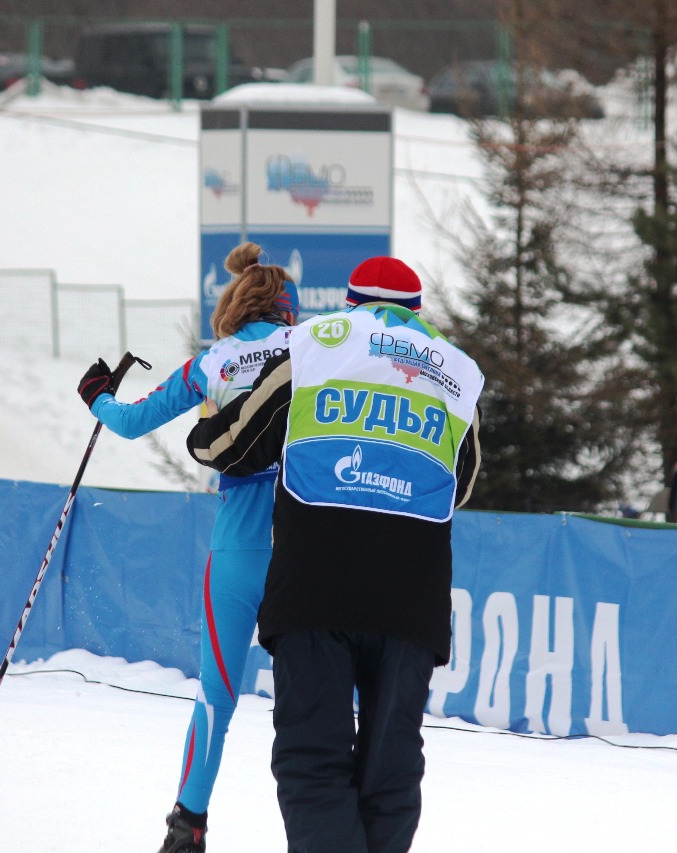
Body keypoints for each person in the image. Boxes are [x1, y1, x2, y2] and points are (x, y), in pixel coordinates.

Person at [186, 256, 484, 853]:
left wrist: (203, 432)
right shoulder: (456, 370)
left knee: (312, 758)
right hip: (412, 598)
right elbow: (465, 480)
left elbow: (235, 445)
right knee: (391, 768)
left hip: (316, 588)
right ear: (417, 312)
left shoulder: (312, 344)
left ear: (351, 302)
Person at [76, 242, 299, 853]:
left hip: (235, 550)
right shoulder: (312, 354)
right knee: (312, 700)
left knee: (216, 697)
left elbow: (126, 423)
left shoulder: (213, 362)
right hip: (302, 552)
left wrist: (98, 392)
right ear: (289, 312)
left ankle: (187, 828)